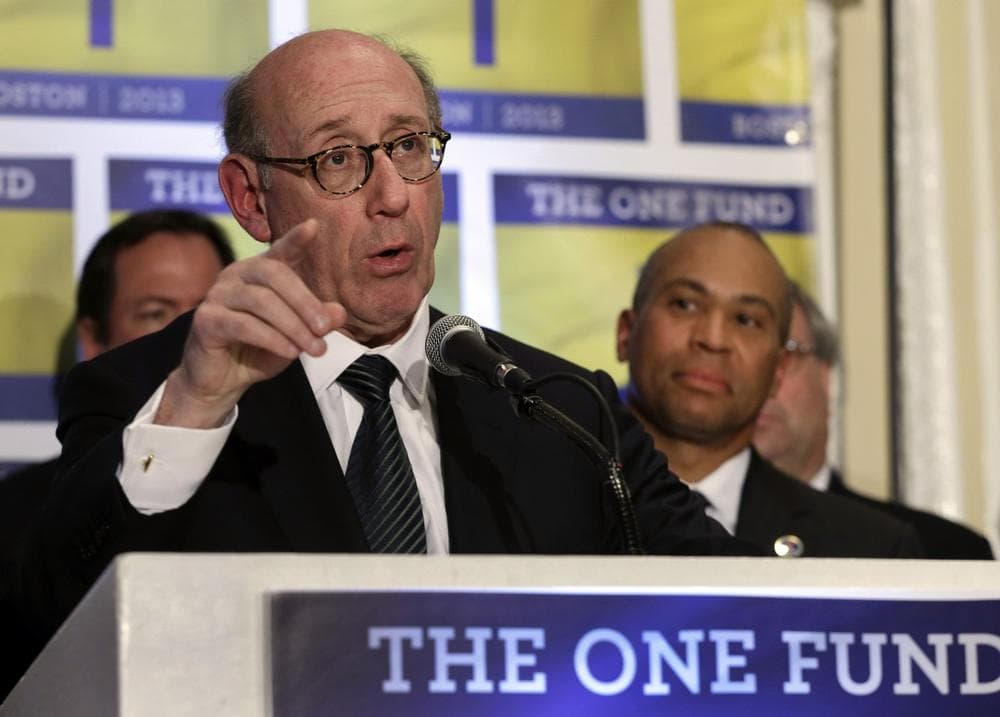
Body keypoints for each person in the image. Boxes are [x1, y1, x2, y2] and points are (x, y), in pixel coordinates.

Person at [10, 30, 752, 651]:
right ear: (250, 197)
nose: (392, 193)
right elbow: (49, 624)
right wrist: (195, 407)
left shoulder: (562, 408)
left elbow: (746, 611)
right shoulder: (156, 396)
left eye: (408, 146)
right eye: (337, 158)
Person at [0, 208, 235, 700]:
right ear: (94, 338)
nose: (193, 336)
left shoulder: (279, 477)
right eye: (156, 313)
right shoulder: (18, 518)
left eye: (209, 310)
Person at [615, 221, 923, 558]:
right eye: (685, 304)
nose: (713, 339)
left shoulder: (871, 549)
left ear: (778, 371)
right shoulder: (552, 503)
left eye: (746, 320)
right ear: (626, 334)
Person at [753, 281, 993, 559]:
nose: (763, 383)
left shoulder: (942, 552)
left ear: (826, 378)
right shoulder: (695, 533)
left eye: (785, 356)